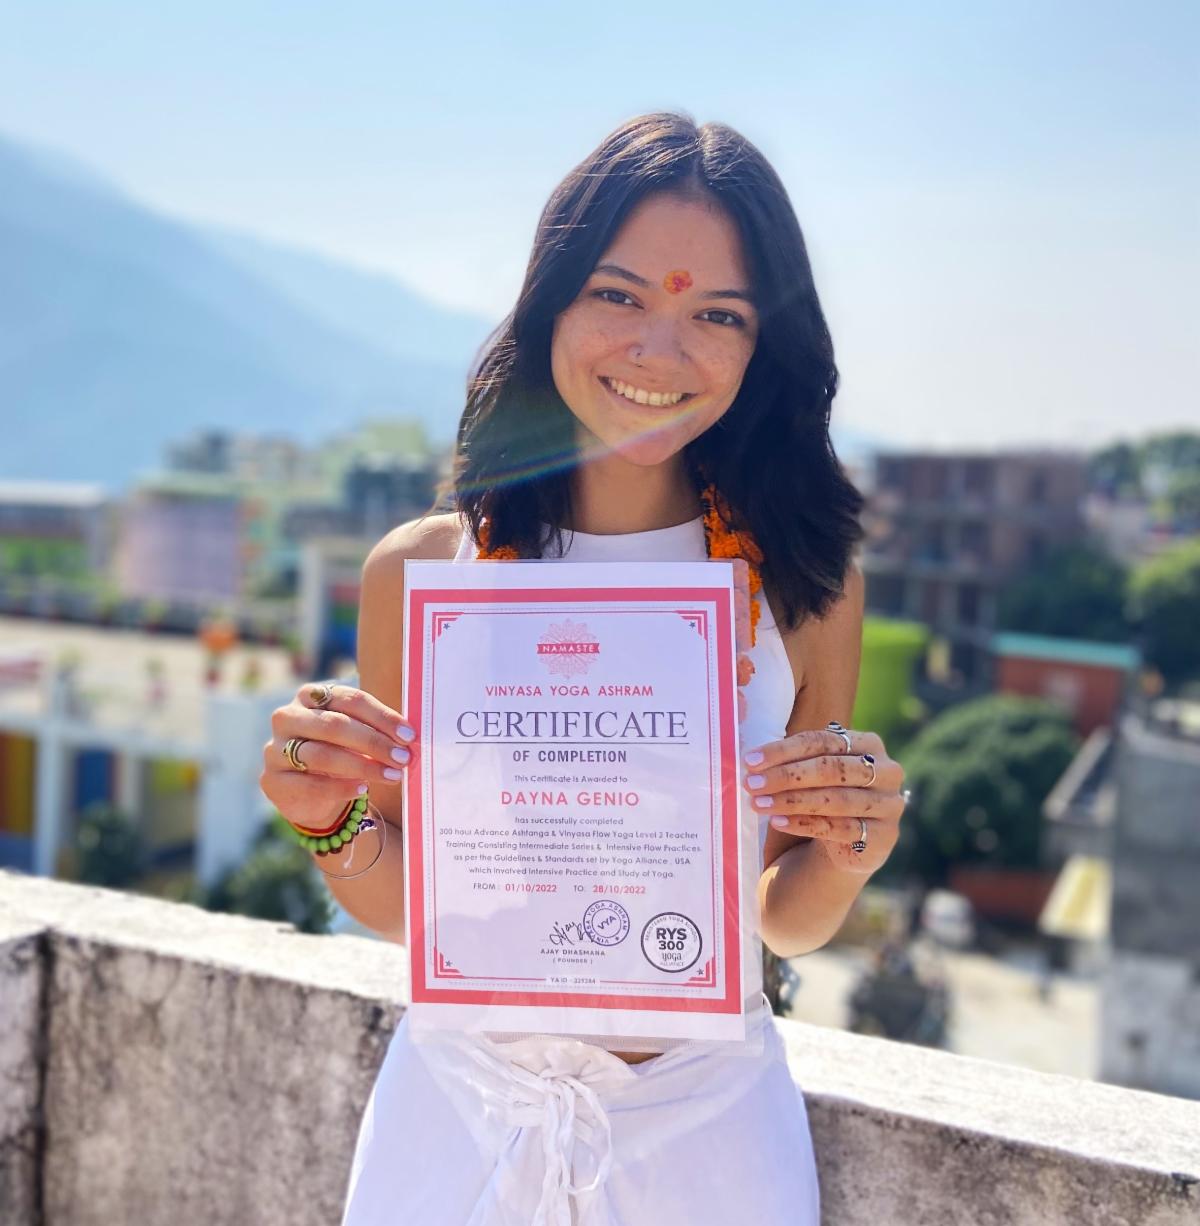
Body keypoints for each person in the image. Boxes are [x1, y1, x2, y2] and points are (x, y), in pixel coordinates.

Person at [260, 110, 908, 1226]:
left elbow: (783, 915)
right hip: (454, 1126)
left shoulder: (802, 581)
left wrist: (851, 852)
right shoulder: (422, 574)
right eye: (619, 295)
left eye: (717, 313)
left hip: (707, 1141)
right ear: (550, 300)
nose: (660, 352)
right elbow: (412, 908)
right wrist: (330, 820)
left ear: (763, 345)